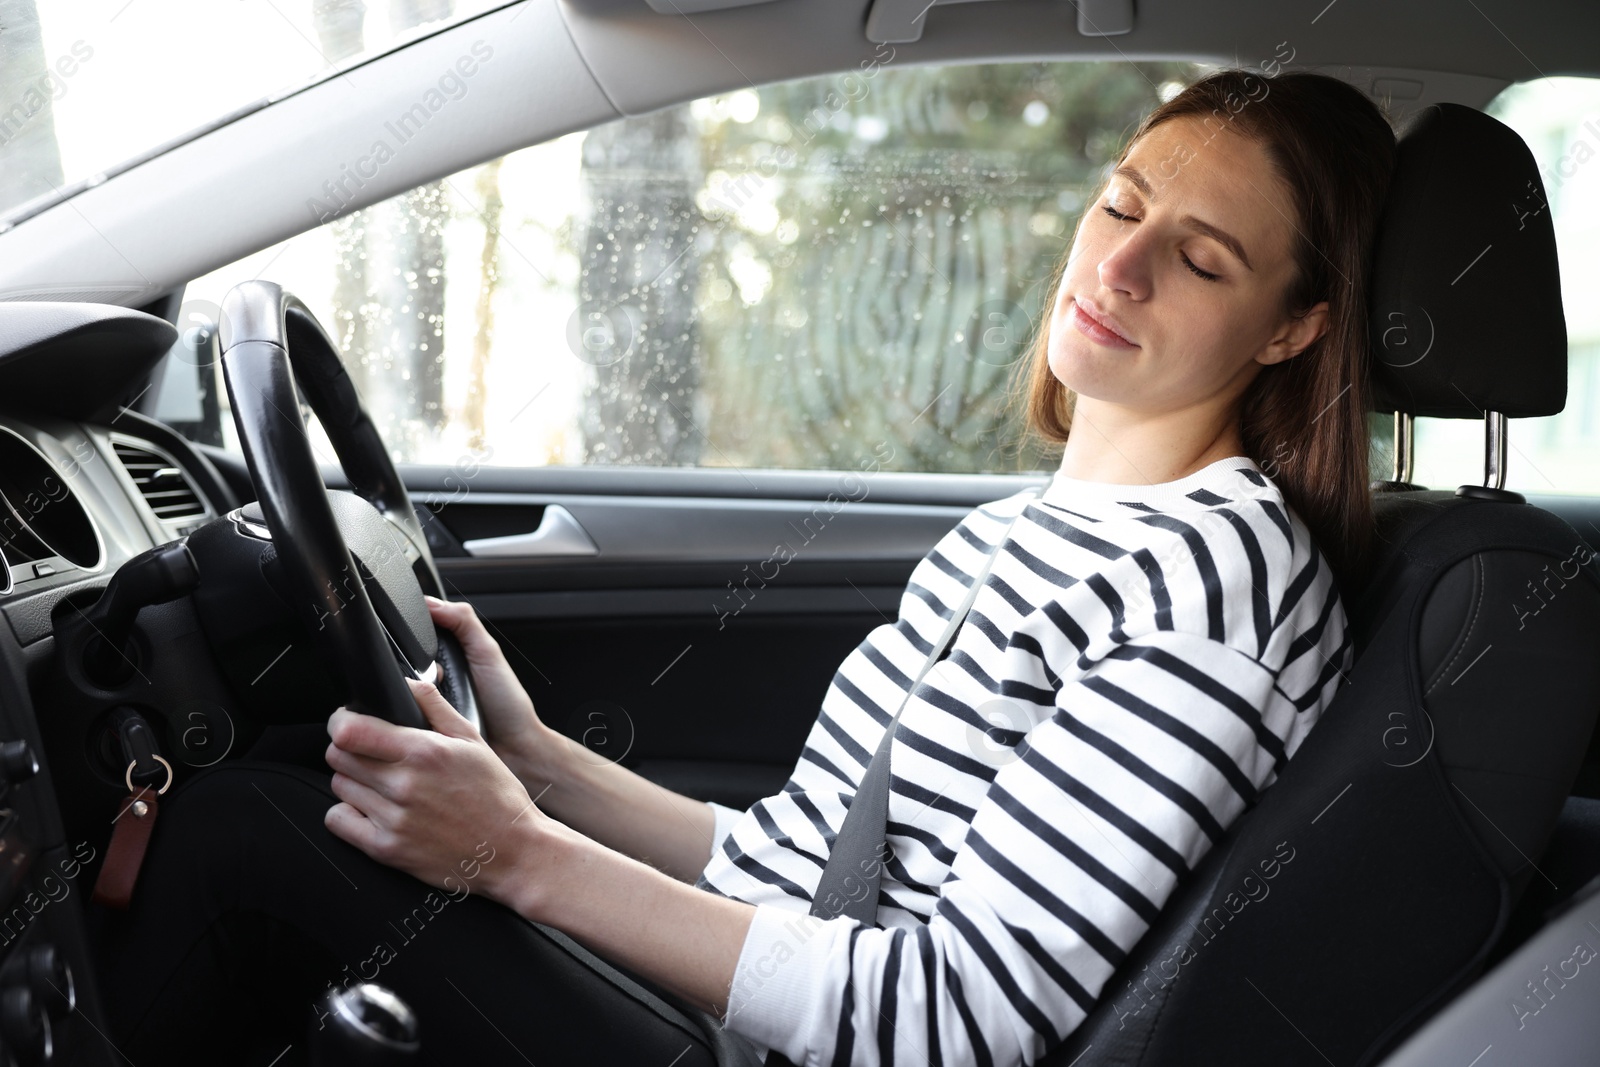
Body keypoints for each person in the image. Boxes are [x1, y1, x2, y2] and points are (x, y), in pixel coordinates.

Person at [88, 66, 1394, 1067]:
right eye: (1122, 202)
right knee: (278, 787)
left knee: (242, 835)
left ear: (1293, 328)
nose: (1117, 263)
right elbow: (802, 861)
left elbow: (957, 1019)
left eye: (1202, 257)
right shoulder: (1031, 530)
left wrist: (515, 855)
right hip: (773, 1020)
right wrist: (544, 772)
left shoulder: (1212, 584)